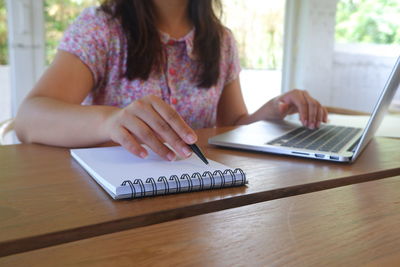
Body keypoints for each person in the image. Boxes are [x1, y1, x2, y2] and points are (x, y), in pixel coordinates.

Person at [15, 0, 328, 162]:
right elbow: (29, 120)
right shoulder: (101, 28)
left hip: (198, 193)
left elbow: (232, 123)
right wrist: (111, 121)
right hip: (117, 198)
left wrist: (271, 112)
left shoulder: (221, 40)